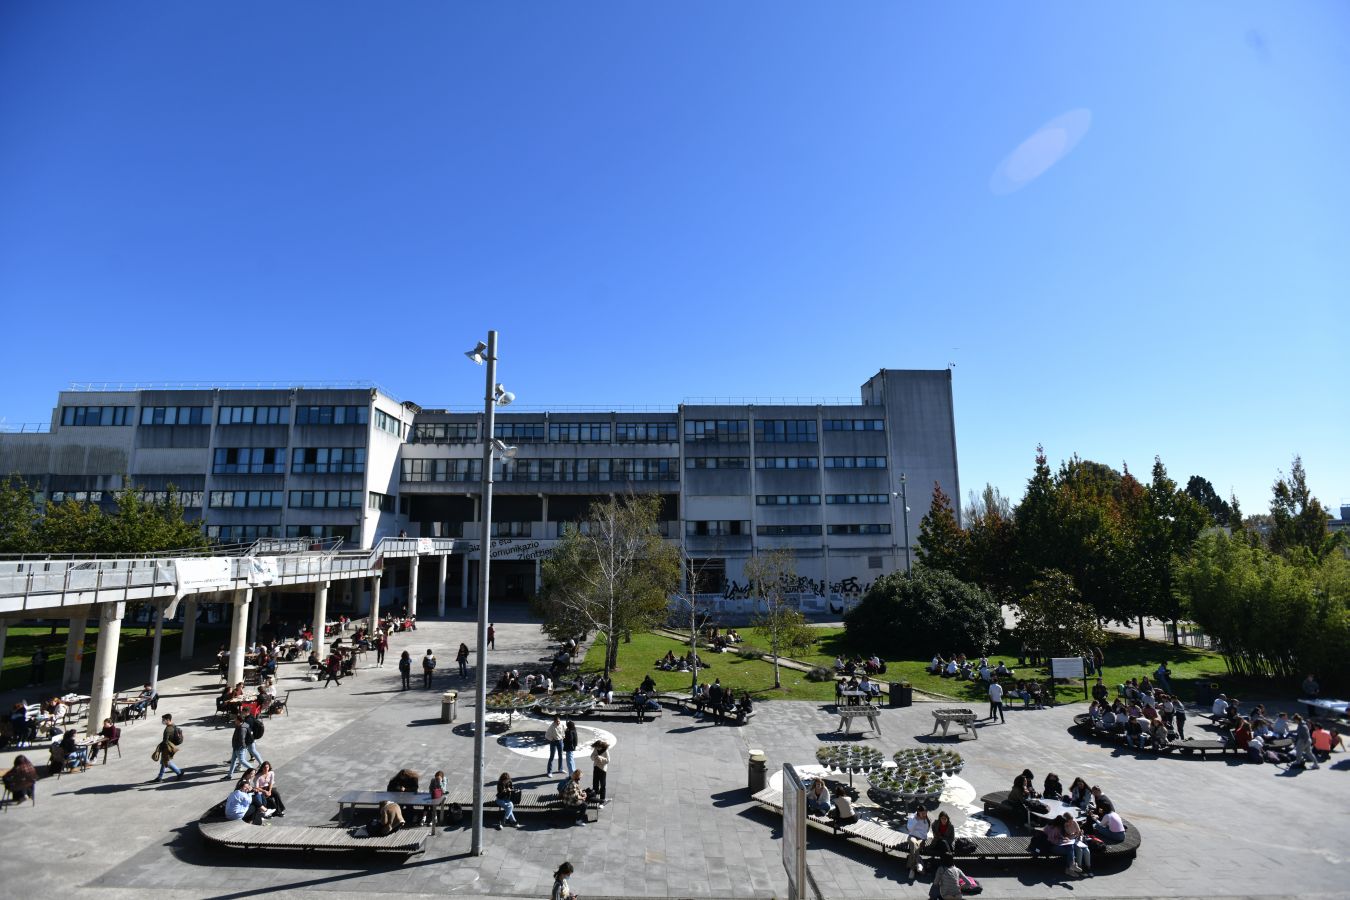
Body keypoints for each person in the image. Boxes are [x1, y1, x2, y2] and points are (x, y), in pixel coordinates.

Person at [154, 713, 184, 781]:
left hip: (167, 747)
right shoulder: (173, 725)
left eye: (163, 720)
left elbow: (165, 741)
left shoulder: (168, 730)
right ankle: (160, 777)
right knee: (164, 762)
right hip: (172, 745)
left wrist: (160, 748)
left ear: (168, 720)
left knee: (166, 762)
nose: (162, 721)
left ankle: (179, 772)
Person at [903, 806, 930, 877]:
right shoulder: (912, 818)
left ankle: (911, 868)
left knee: (916, 846)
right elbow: (909, 829)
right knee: (914, 844)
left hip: (921, 838)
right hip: (912, 836)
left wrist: (922, 838)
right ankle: (919, 863)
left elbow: (926, 831)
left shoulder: (926, 819)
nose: (924, 815)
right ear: (918, 812)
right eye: (923, 813)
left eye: (925, 813)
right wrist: (916, 820)